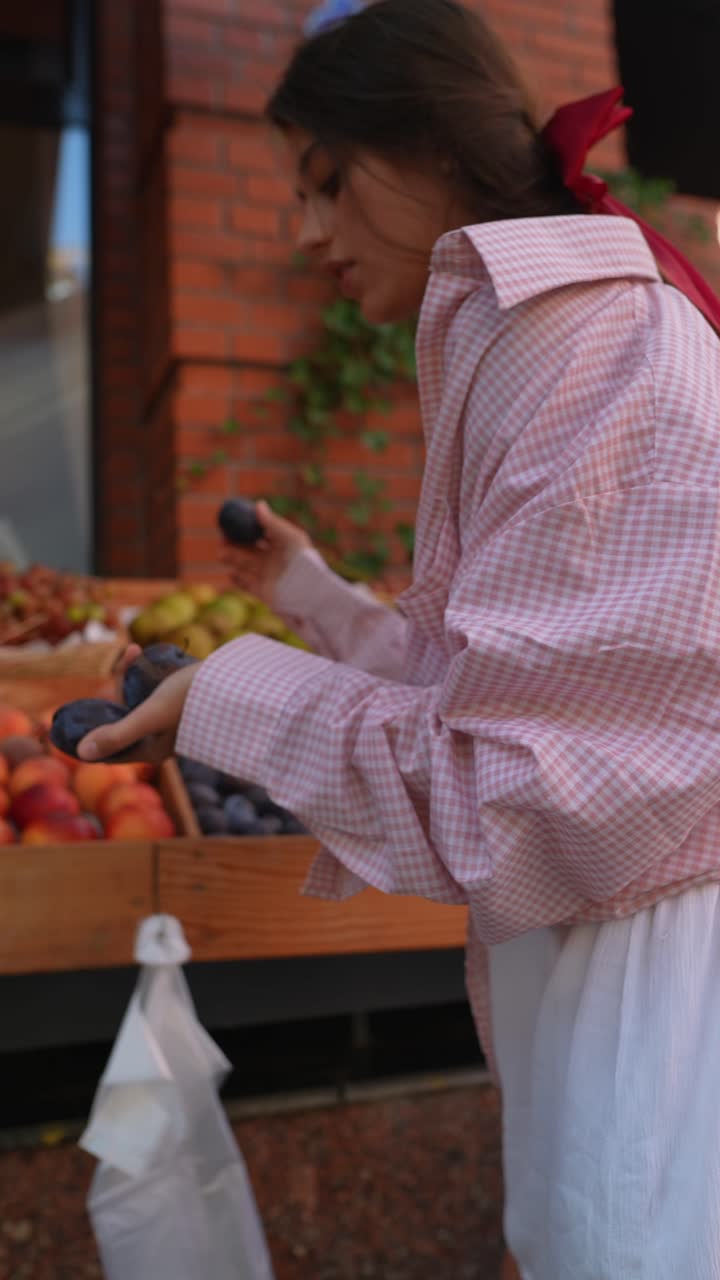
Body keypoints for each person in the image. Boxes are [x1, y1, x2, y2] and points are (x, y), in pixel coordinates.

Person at [79, 2, 720, 1276]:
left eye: (325, 182)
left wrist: (233, 694)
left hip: (656, 1009)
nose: (305, 231)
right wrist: (314, 597)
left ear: (429, 144)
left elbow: (522, 788)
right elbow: (512, 704)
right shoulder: (550, 334)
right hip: (612, 968)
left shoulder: (596, 339)